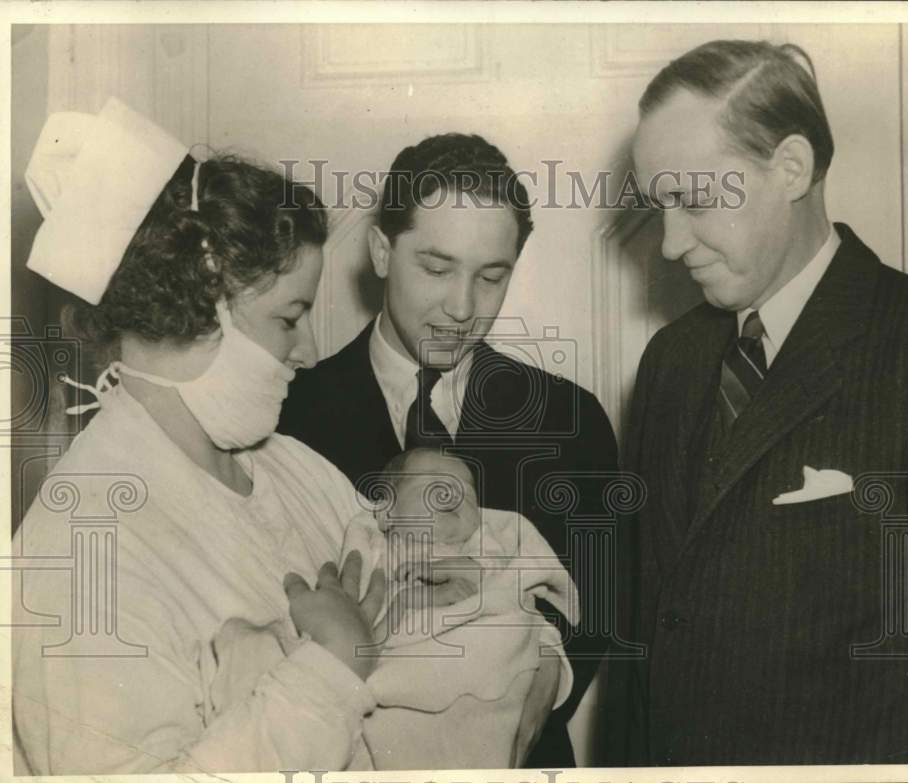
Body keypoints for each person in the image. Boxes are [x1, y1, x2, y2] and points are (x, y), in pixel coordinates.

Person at [11, 99, 553, 774]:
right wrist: (328, 669)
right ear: (191, 311)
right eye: (289, 317)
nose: (309, 348)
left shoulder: (291, 468)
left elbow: (428, 591)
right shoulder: (81, 548)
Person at [608, 40, 908, 765]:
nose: (671, 244)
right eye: (658, 207)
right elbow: (645, 637)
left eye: (695, 200)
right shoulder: (669, 362)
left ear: (791, 167)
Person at [278, 133, 621, 767]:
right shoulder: (287, 413)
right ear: (382, 251)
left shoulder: (571, 420)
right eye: (436, 269)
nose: (462, 308)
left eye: (492, 277)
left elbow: (597, 604)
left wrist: (555, 667)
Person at [226, 448, 580, 769]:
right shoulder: (375, 550)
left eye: (468, 492)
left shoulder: (480, 545)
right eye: (433, 486)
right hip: (401, 674)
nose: (453, 494)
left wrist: (450, 570)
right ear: (386, 512)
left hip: (480, 667)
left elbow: (501, 582)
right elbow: (363, 615)